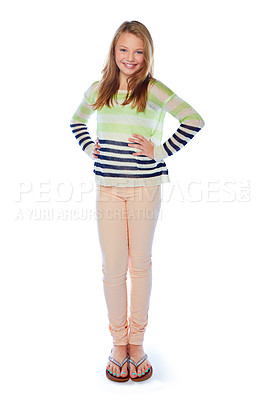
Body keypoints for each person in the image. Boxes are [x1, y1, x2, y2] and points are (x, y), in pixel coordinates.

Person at [70, 20, 205, 382]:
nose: (131, 58)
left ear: (147, 55)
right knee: (112, 267)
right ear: (113, 52)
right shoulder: (99, 89)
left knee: (139, 265)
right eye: (124, 50)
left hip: (146, 188)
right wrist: (89, 146)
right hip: (108, 188)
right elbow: (76, 122)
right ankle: (119, 343)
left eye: (138, 51)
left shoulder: (154, 90)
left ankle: (138, 342)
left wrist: (160, 150)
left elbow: (193, 120)